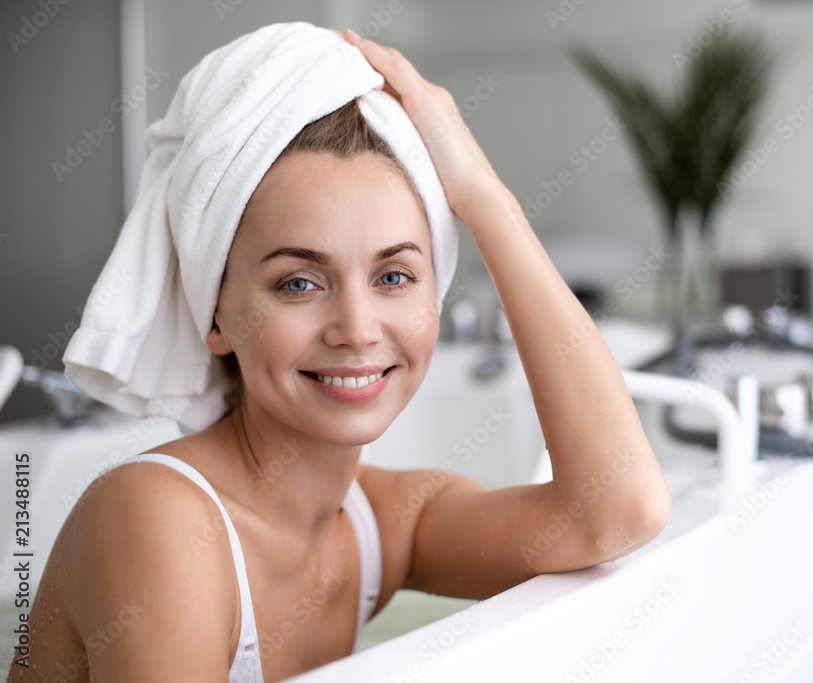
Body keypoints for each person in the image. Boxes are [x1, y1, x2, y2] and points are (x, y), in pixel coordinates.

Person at [11, 26, 670, 682]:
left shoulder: (381, 523)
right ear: (217, 316)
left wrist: (486, 199)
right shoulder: (159, 519)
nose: (356, 328)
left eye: (394, 276)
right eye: (300, 281)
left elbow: (618, 509)